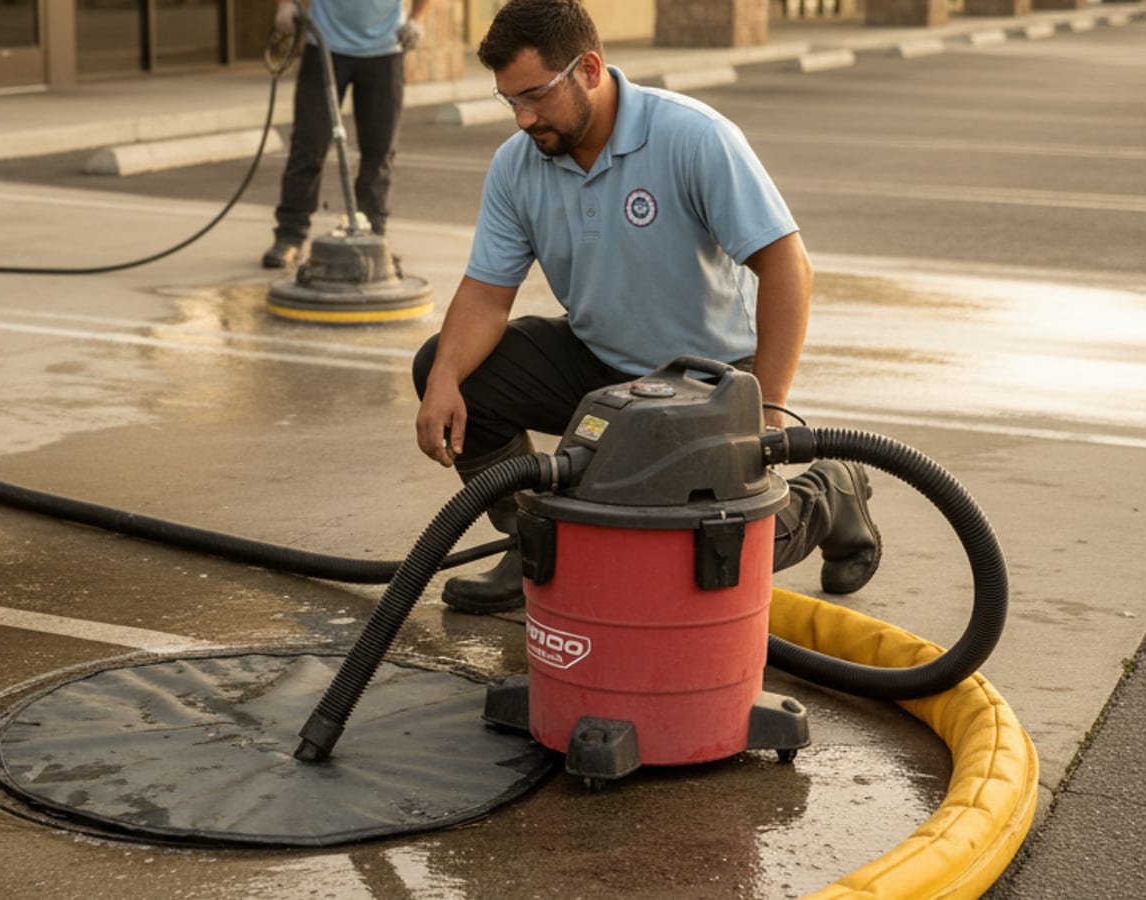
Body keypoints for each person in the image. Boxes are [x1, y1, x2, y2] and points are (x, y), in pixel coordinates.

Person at [412, 0, 880, 613]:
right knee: (450, 371)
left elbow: (787, 267)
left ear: (587, 68)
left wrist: (766, 408)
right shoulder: (517, 165)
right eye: (509, 100)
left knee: (696, 561)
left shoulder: (692, 136)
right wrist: (444, 381)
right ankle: (539, 544)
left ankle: (831, 494)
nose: (522, 118)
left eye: (534, 96)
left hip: (706, 379)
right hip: (598, 360)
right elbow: (485, 293)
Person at [263, 0, 432, 269]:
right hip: (325, 47)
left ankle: (372, 238)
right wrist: (285, 6)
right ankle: (289, 237)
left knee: (379, 151)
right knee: (308, 145)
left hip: (385, 50)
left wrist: (417, 18)